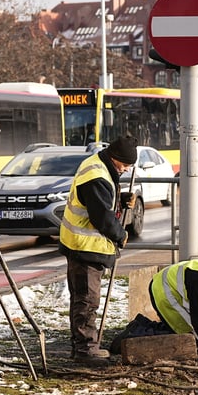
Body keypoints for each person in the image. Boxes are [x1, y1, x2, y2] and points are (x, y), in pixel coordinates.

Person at [59, 135, 137, 365]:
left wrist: (120, 200)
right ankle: (86, 350)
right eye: (124, 165)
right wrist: (120, 235)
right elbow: (101, 216)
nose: (125, 170)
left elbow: (100, 202)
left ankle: (81, 346)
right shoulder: (98, 177)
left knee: (81, 299)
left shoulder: (99, 166)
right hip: (85, 247)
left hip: (79, 245)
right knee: (87, 300)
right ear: (114, 158)